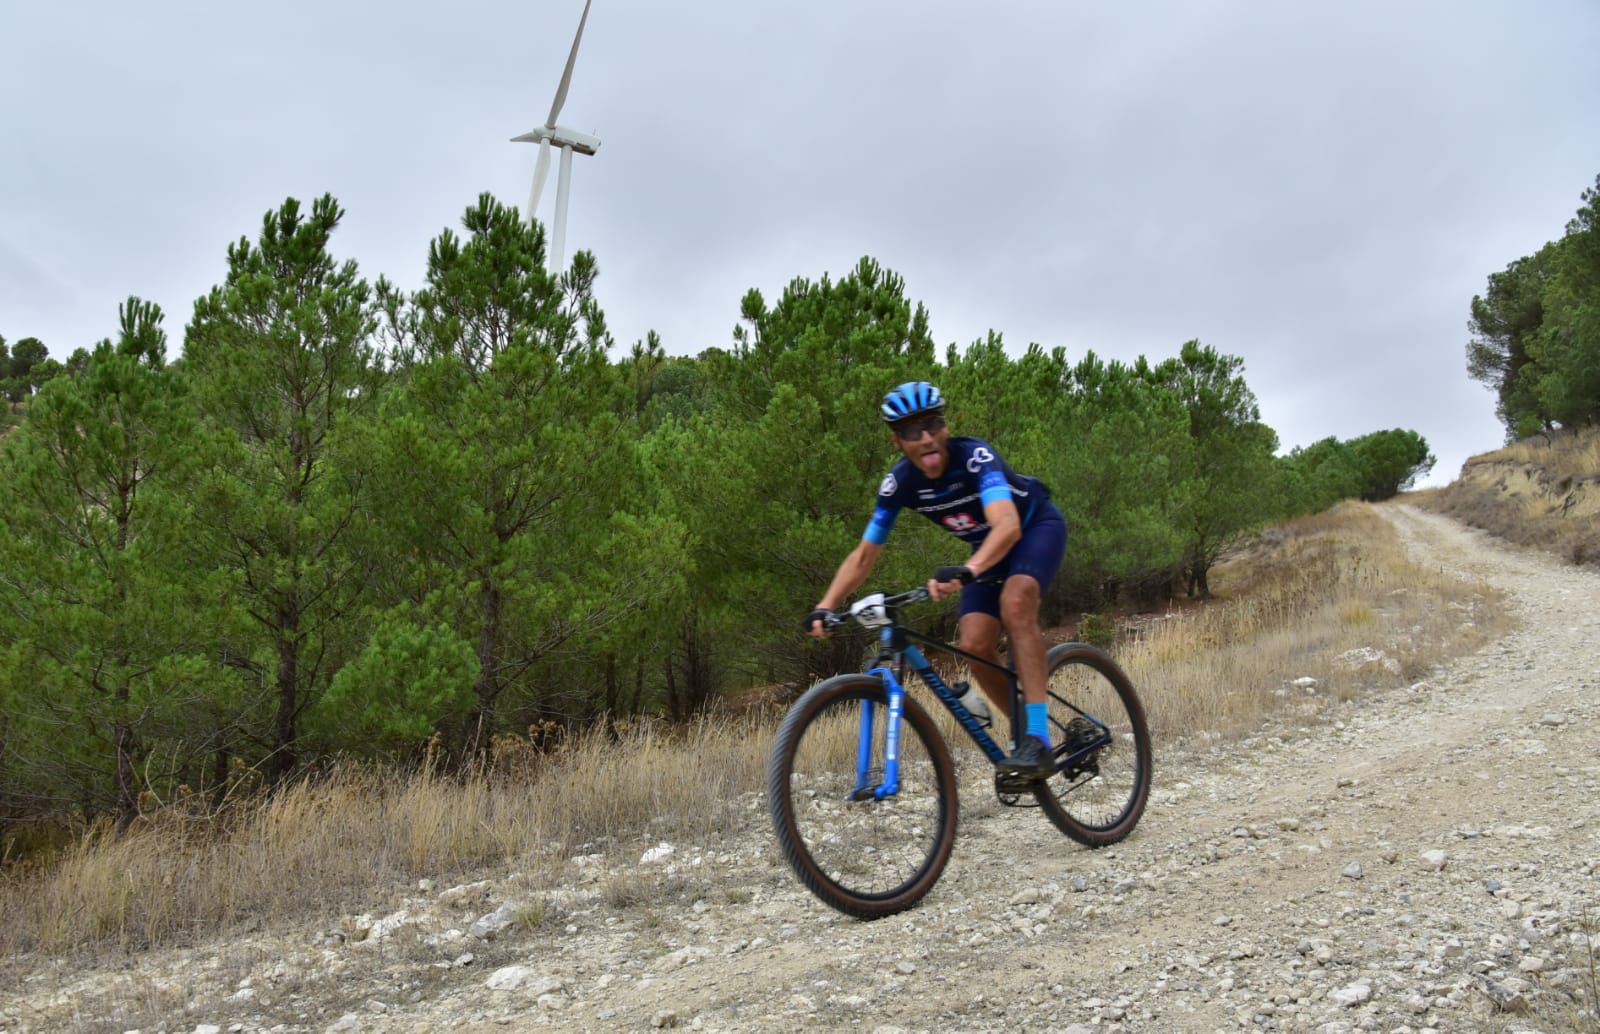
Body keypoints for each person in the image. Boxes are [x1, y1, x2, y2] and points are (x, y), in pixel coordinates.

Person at [804, 380, 1069, 779]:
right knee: (973, 644)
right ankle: (1023, 735)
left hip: (1033, 527)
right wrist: (826, 604)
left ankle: (1038, 737)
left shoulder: (975, 457)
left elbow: (1007, 525)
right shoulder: (900, 484)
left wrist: (970, 570)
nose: (926, 438)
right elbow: (863, 556)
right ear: (897, 441)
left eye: (933, 425)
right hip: (986, 548)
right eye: (913, 431)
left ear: (946, 427)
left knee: (1016, 604)